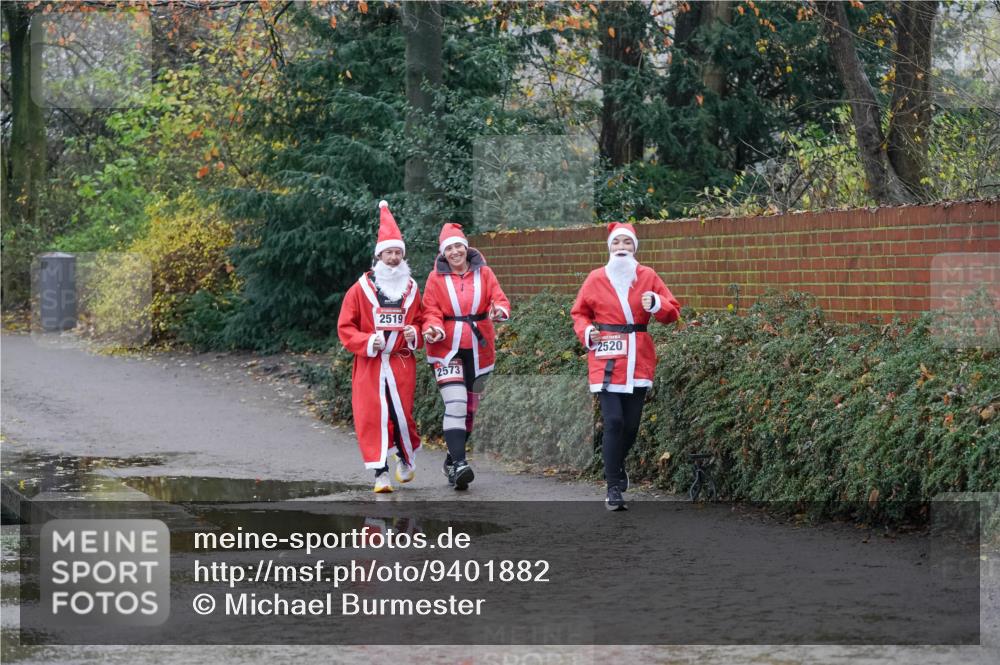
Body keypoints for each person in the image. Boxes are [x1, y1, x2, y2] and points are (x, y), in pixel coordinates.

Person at [571, 222, 681, 511]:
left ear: (635, 248)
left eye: (627, 244)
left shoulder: (648, 276)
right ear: (609, 247)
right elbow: (579, 313)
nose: (622, 248)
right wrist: (587, 332)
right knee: (614, 421)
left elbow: (672, 312)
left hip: (639, 358)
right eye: (617, 243)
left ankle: (617, 468)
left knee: (631, 425)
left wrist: (656, 303)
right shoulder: (595, 278)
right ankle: (613, 488)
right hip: (606, 359)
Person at [337, 200, 423, 493]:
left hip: (400, 362)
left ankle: (405, 456)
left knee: (402, 415)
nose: (394, 258)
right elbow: (345, 327)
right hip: (371, 365)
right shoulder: (359, 289)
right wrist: (366, 341)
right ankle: (380, 474)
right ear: (378, 256)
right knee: (373, 416)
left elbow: (423, 320)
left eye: (398, 253)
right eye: (389, 252)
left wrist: (415, 332)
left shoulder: (412, 288)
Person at [422, 223, 511, 490]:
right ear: (443, 253)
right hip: (445, 349)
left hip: (480, 349)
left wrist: (499, 311)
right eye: (449, 248)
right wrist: (433, 329)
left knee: (470, 410)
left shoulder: (484, 272)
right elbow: (429, 311)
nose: (454, 252)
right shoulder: (434, 278)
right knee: (457, 403)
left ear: (466, 246)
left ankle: (452, 458)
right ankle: (460, 464)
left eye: (458, 246)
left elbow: (500, 300)